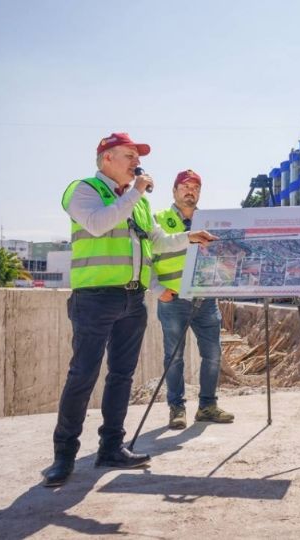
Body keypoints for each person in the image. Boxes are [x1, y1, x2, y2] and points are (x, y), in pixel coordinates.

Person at [44, 133, 215, 488]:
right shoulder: (84, 190)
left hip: (132, 300)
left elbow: (157, 242)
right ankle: (64, 456)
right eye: (128, 155)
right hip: (94, 299)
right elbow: (97, 224)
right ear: (106, 157)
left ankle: (111, 447)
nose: (135, 161)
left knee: (122, 377)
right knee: (83, 375)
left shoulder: (135, 202)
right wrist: (136, 190)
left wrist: (190, 237)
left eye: (138, 156)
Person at [153, 169, 234, 430]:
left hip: (205, 299)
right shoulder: (160, 219)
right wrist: (156, 289)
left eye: (196, 187)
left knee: (212, 354)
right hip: (173, 299)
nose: (190, 191)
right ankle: (177, 408)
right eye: (185, 186)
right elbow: (146, 256)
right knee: (174, 357)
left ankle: (207, 406)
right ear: (174, 191)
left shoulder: (209, 221)